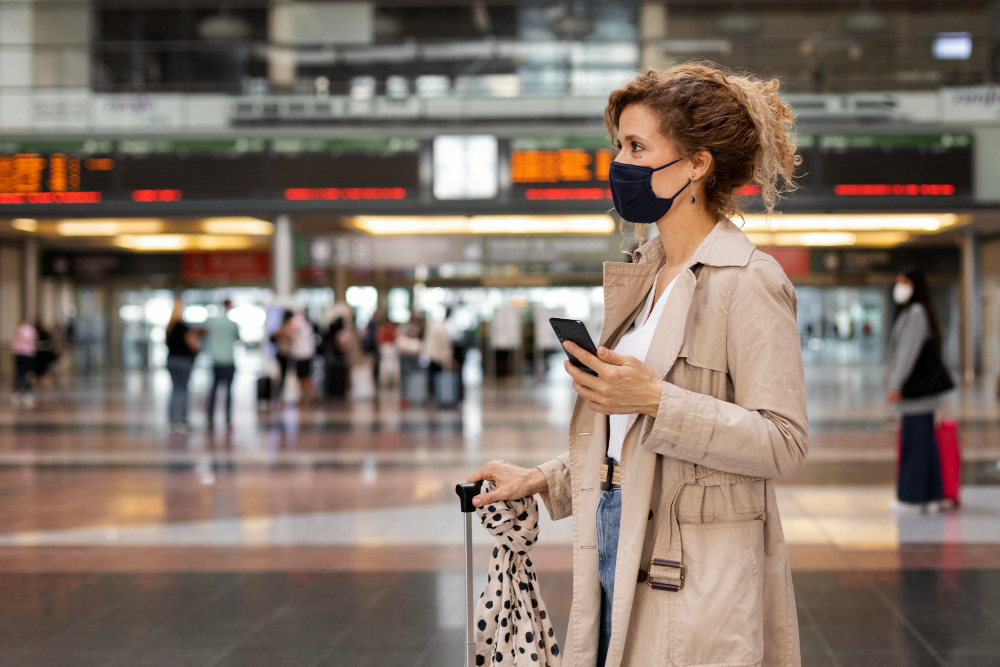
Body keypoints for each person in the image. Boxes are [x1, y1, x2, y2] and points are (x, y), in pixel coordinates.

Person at [467, 64, 808, 667]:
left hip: (695, 562)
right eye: (617, 145)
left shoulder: (749, 280)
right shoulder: (645, 278)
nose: (618, 163)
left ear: (697, 164)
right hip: (615, 527)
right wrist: (539, 479)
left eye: (636, 146)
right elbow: (629, 441)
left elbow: (783, 443)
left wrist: (656, 399)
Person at [887, 268, 953, 513]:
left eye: (903, 282)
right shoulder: (915, 311)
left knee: (915, 446)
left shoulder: (915, 313)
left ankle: (913, 499)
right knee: (924, 445)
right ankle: (931, 496)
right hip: (921, 396)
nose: (899, 287)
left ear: (914, 285)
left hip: (915, 394)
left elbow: (907, 353)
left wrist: (896, 384)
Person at [204, 299, 241, 430]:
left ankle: (210, 420)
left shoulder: (213, 322)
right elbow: (238, 338)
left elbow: (206, 338)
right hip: (228, 360)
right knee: (228, 392)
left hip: (216, 360)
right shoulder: (233, 324)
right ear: (229, 306)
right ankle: (228, 420)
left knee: (213, 390)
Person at [165, 299, 199, 433]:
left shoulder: (169, 327)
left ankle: (172, 421)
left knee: (174, 390)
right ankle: (183, 421)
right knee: (183, 391)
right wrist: (196, 350)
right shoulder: (184, 327)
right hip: (184, 361)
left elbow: (166, 343)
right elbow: (193, 343)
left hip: (171, 360)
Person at [290, 311, 318, 404]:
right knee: (305, 377)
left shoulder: (300, 322)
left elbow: (289, 331)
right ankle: (307, 396)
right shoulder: (307, 325)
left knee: (304, 377)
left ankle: (308, 396)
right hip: (305, 354)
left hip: (302, 355)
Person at [11, 318, 37, 407]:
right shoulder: (19, 329)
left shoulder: (20, 329)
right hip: (24, 354)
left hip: (22, 353)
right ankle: (23, 392)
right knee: (23, 374)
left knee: (22, 374)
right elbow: (33, 341)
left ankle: (24, 392)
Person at [272, 310, 296, 402]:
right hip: (283, 353)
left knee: (284, 375)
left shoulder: (284, 326)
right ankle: (279, 395)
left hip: (285, 353)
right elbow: (275, 334)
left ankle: (281, 394)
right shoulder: (285, 326)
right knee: (282, 375)